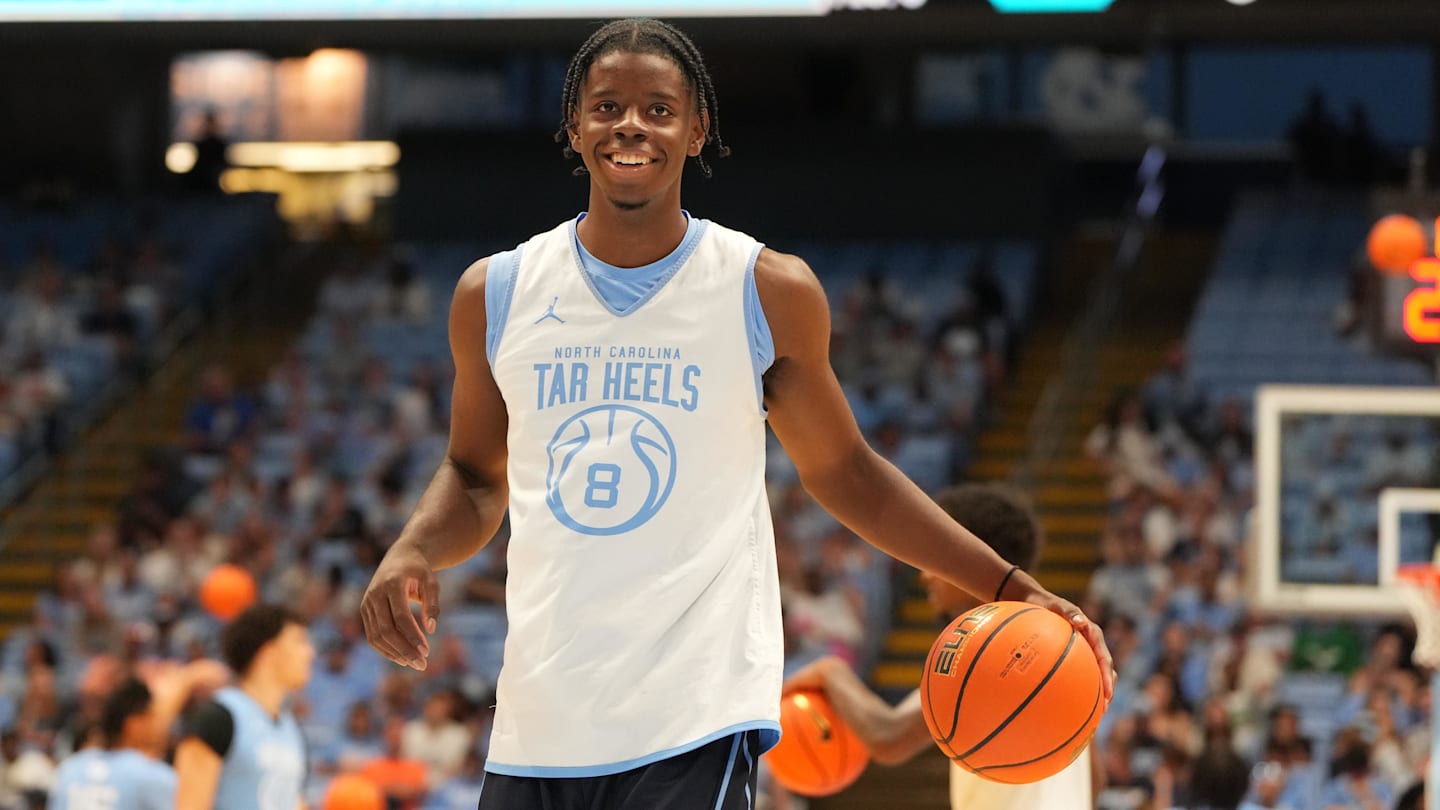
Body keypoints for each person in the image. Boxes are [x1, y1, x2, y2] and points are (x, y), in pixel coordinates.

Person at [360, 18, 1114, 810]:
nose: (630, 125)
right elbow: (476, 475)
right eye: (607, 104)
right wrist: (412, 550)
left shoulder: (765, 290)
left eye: (658, 109)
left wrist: (1010, 587)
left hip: (693, 721)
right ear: (574, 126)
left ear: (696, 131)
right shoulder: (496, 293)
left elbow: (849, 473)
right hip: (536, 725)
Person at [784, 483, 1095, 809]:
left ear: (970, 560)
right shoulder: (1064, 648)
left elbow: (888, 737)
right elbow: (1094, 778)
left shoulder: (991, 651)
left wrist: (832, 672)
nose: (925, 575)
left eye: (937, 556)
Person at [174, 605, 313, 810]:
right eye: (299, 641)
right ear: (268, 652)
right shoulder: (218, 718)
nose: (310, 652)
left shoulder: (291, 727)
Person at [48, 679, 178, 810]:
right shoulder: (153, 776)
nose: (161, 725)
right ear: (134, 724)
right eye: (153, 715)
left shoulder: (68, 769)